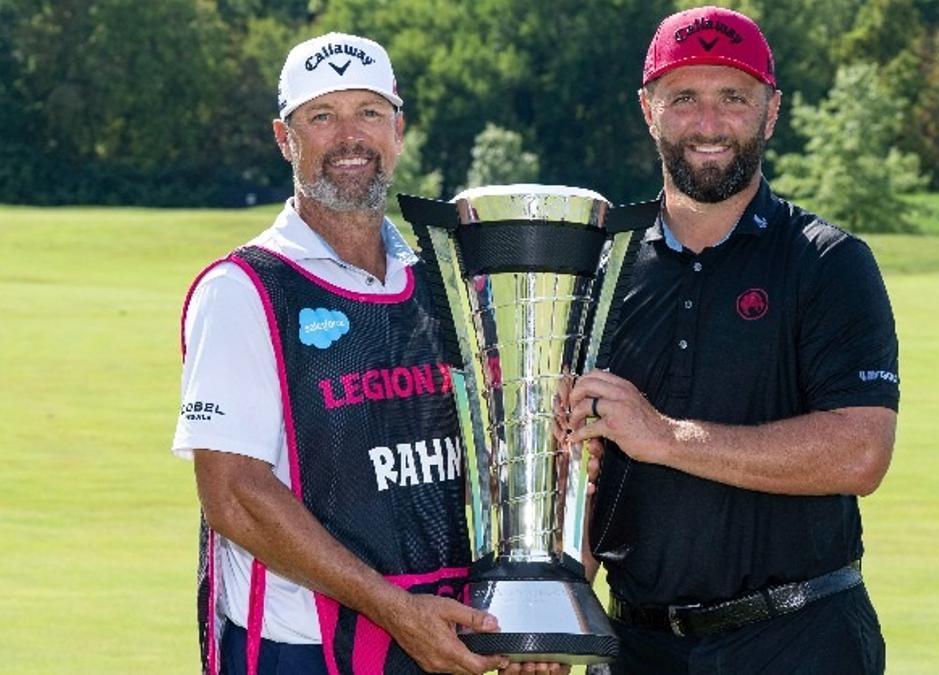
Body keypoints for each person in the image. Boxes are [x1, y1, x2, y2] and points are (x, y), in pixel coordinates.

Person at [173, 32, 556, 675]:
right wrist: (395, 610)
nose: (350, 137)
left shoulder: (448, 283)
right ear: (285, 138)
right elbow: (234, 494)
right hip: (301, 651)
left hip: (446, 637)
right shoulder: (244, 288)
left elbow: (497, 462)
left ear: (398, 131)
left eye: (369, 112)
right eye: (322, 116)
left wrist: (522, 616)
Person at [567, 6, 899, 673]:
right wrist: (554, 604)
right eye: (684, 98)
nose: (708, 123)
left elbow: (861, 452)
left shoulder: (828, 262)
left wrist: (664, 435)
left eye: (734, 98)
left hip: (798, 641)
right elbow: (582, 469)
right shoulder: (598, 267)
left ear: (770, 112)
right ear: (648, 110)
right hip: (635, 646)